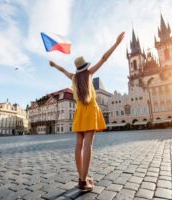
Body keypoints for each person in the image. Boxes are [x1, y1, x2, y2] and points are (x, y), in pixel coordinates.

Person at [49, 32, 125, 191]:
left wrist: (54, 65)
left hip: (79, 112)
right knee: (88, 145)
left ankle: (82, 177)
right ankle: (84, 180)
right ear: (86, 66)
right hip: (90, 110)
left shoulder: (74, 78)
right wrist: (116, 43)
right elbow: (104, 58)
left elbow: (63, 70)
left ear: (77, 68)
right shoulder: (89, 74)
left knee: (79, 144)